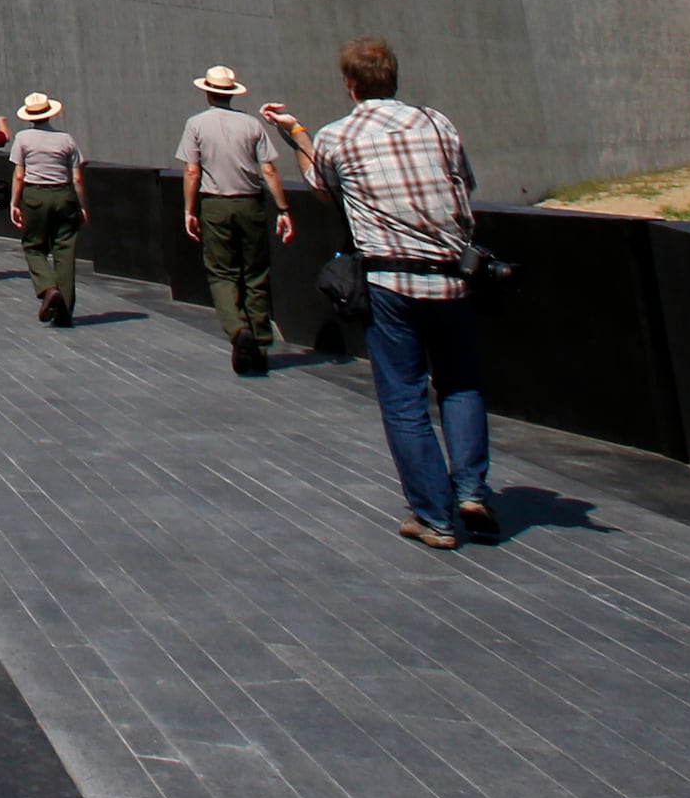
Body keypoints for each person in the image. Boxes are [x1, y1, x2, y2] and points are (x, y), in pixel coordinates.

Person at [270, 39, 492, 549]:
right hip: (453, 276)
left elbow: (324, 188)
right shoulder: (439, 123)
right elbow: (466, 183)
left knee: (404, 399)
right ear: (394, 78)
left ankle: (433, 516)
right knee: (462, 384)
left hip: (390, 281)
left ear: (349, 85)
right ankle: (472, 491)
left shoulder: (338, 136)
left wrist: (294, 132)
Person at [176, 65, 295, 377]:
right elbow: (268, 170)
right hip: (250, 203)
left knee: (222, 273)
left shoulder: (196, 124)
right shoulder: (252, 124)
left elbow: (192, 170)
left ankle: (237, 328)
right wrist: (283, 208)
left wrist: (190, 210)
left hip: (215, 204)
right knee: (255, 273)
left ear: (207, 91)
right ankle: (260, 340)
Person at [6, 91, 84, 325]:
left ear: (29, 115)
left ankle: (47, 288)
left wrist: (14, 202)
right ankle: (65, 313)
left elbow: (19, 174)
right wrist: (81, 205)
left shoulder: (22, 138)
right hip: (64, 194)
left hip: (35, 194)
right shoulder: (66, 139)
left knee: (34, 246)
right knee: (65, 250)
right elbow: (77, 178)